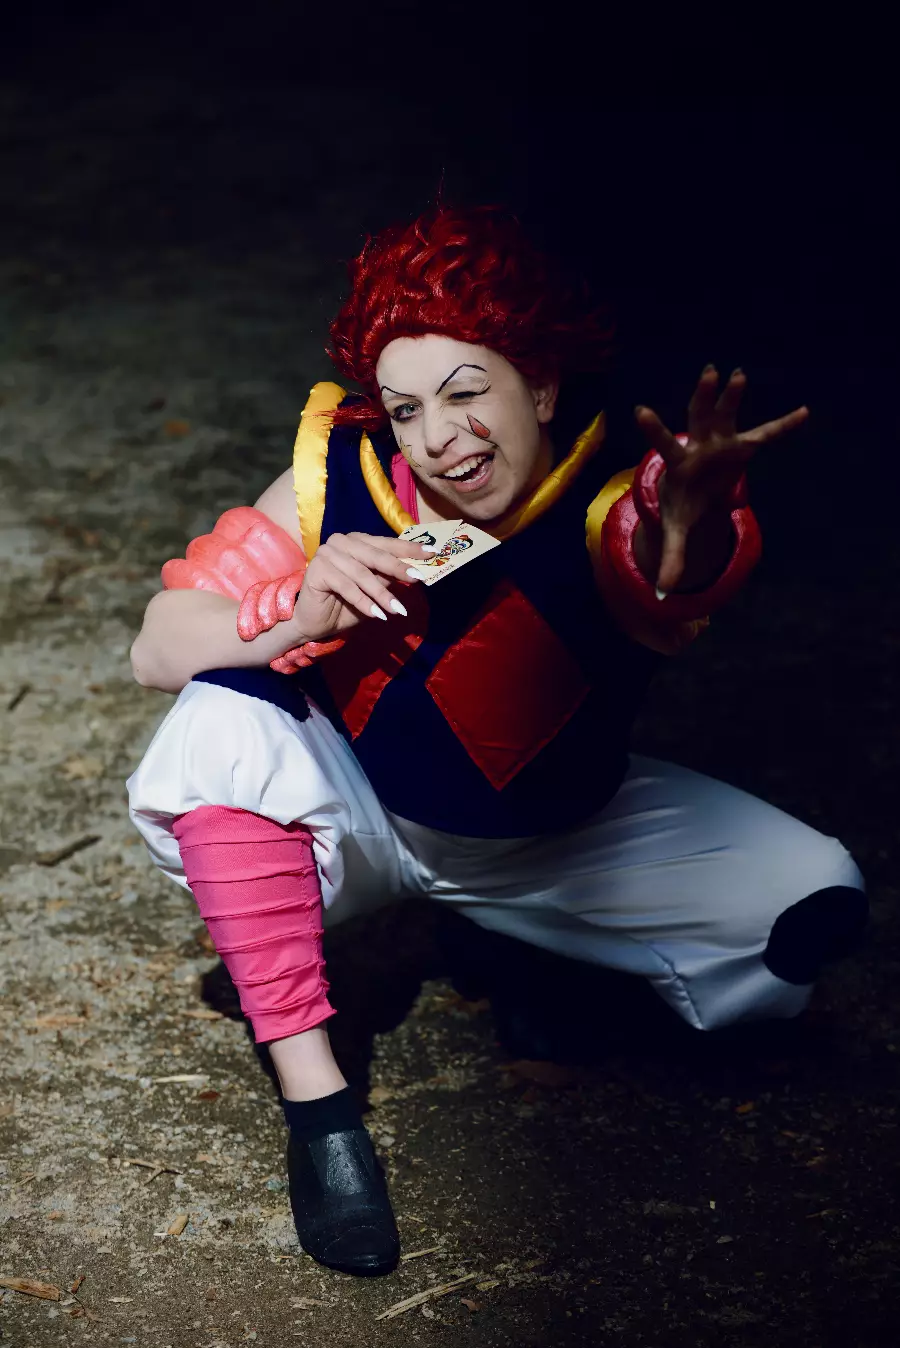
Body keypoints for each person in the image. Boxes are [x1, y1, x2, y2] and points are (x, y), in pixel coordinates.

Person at [127, 206, 867, 1278]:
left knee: (813, 905)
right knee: (215, 724)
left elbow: (669, 565)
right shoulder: (342, 476)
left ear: (543, 388)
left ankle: (522, 943)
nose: (439, 434)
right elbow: (157, 647)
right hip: (360, 816)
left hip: (552, 841)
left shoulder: (609, 495)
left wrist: (695, 516)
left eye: (468, 391)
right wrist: (293, 612)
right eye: (408, 407)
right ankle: (320, 1111)